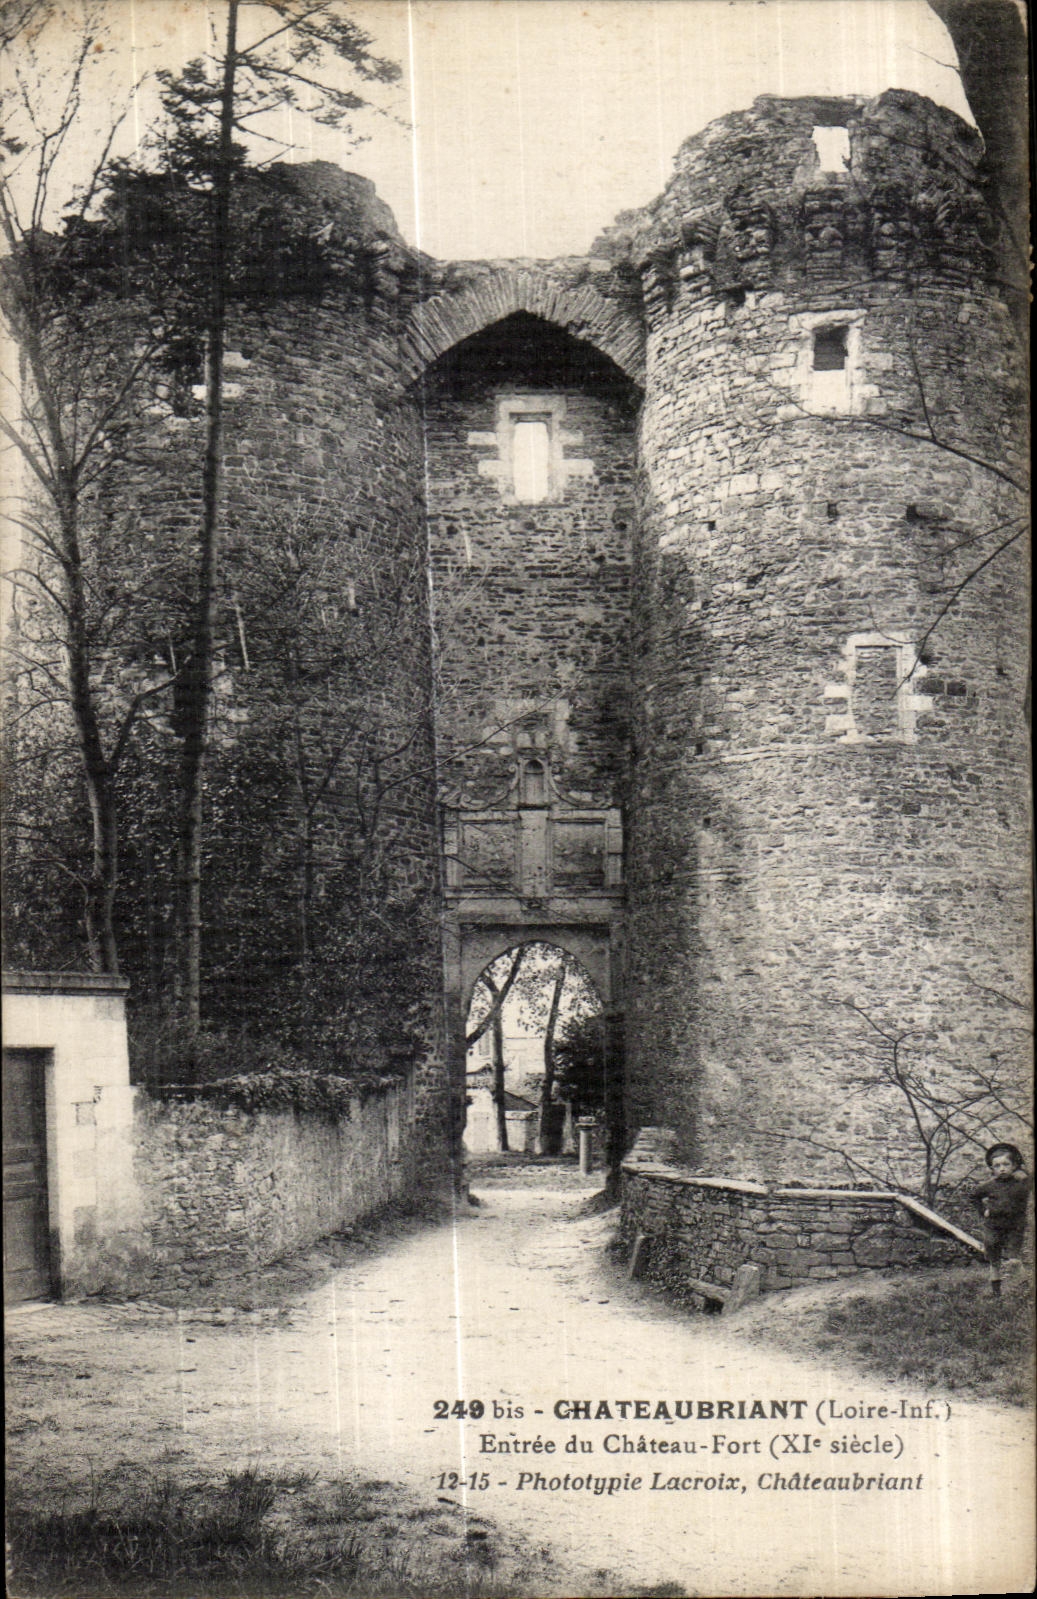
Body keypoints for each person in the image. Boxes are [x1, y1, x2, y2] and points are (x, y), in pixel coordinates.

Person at [971, 1143, 1031, 1297]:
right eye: (997, 1166)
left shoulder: (1021, 1183)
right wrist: (983, 1211)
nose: (1002, 1168)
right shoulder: (989, 1185)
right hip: (993, 1226)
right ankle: (996, 1293)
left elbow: (1030, 1181)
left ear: (1014, 1166)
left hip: (1014, 1227)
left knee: (1014, 1260)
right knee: (994, 1259)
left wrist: (1024, 1173)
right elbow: (974, 1196)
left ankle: (1026, 1289)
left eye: (1006, 1164)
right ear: (992, 1168)